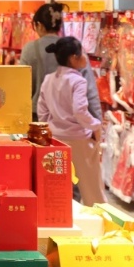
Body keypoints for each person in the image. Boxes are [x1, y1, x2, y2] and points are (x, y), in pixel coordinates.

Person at [36, 36, 107, 206]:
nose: (85, 57)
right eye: (82, 53)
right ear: (74, 58)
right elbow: (79, 111)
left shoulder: (49, 79)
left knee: (58, 186)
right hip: (79, 140)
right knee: (92, 188)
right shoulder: (78, 81)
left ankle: (58, 216)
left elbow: (42, 110)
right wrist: (95, 125)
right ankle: (99, 218)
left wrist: (50, 127)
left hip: (55, 139)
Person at [21, 2, 102, 123]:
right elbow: (90, 91)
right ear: (60, 25)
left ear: (39, 25)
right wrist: (97, 121)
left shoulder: (29, 49)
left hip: (38, 120)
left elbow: (22, 89)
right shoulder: (73, 48)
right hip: (72, 122)